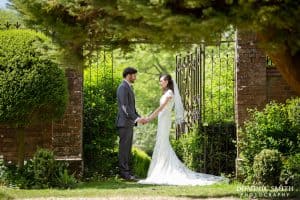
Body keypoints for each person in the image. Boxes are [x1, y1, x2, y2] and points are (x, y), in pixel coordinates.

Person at [138, 74, 225, 185]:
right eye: (159, 81)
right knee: (161, 142)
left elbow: (161, 108)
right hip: (162, 119)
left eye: (161, 81)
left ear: (167, 81)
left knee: (163, 142)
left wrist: (149, 118)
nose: (160, 83)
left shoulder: (169, 93)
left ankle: (165, 170)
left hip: (165, 119)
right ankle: (162, 169)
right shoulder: (165, 93)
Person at [116, 67, 148, 181]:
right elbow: (125, 108)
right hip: (124, 123)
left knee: (127, 149)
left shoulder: (128, 87)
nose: (135, 77)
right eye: (134, 75)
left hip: (128, 123)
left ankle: (128, 173)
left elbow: (131, 108)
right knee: (124, 149)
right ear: (128, 75)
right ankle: (125, 174)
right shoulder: (123, 87)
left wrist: (139, 118)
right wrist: (136, 119)